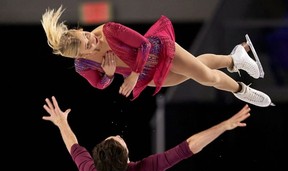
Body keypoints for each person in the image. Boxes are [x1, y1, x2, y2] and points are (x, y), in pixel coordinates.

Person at [42, 95, 251, 171]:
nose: (116, 134)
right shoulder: (146, 169)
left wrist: (61, 122)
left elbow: (73, 146)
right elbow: (189, 147)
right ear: (126, 158)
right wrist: (224, 125)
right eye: (117, 139)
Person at [41, 5, 274, 107]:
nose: (92, 43)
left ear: (81, 31)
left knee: (206, 77)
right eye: (87, 48)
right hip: (147, 75)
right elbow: (99, 85)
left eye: (87, 38)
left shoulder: (108, 30)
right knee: (196, 71)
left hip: (157, 50)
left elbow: (142, 44)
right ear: (79, 56)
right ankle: (235, 59)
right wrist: (109, 76)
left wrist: (132, 76)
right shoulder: (83, 65)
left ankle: (242, 90)